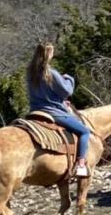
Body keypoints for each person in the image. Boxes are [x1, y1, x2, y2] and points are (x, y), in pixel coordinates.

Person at [27, 43, 92, 177]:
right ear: (49, 54)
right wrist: (68, 78)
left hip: (35, 111)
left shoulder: (30, 72)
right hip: (54, 112)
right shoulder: (51, 73)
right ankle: (81, 165)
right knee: (84, 132)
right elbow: (67, 91)